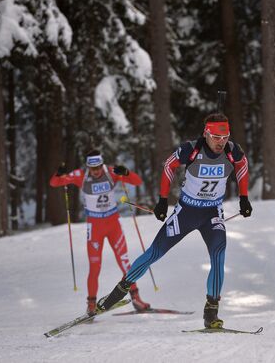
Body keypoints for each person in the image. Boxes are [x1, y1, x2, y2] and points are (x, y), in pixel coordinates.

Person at [97, 113, 252, 328]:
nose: (221, 142)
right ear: (206, 133)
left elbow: (243, 166)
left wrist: (244, 198)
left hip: (212, 213)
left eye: (225, 136)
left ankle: (211, 313)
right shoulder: (191, 149)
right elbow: (169, 166)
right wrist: (162, 200)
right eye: (216, 137)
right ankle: (116, 294)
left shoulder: (233, 151)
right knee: (155, 253)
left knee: (219, 256)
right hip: (187, 211)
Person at [50, 150, 151, 315]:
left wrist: (126, 172)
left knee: (125, 263)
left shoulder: (111, 172)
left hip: (113, 225)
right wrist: (59, 174)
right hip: (95, 226)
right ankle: (91, 304)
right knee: (95, 267)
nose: (96, 171)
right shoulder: (80, 175)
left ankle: (136, 298)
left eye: (98, 167)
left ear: (101, 164)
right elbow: (54, 183)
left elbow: (137, 181)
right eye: (92, 168)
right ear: (88, 167)